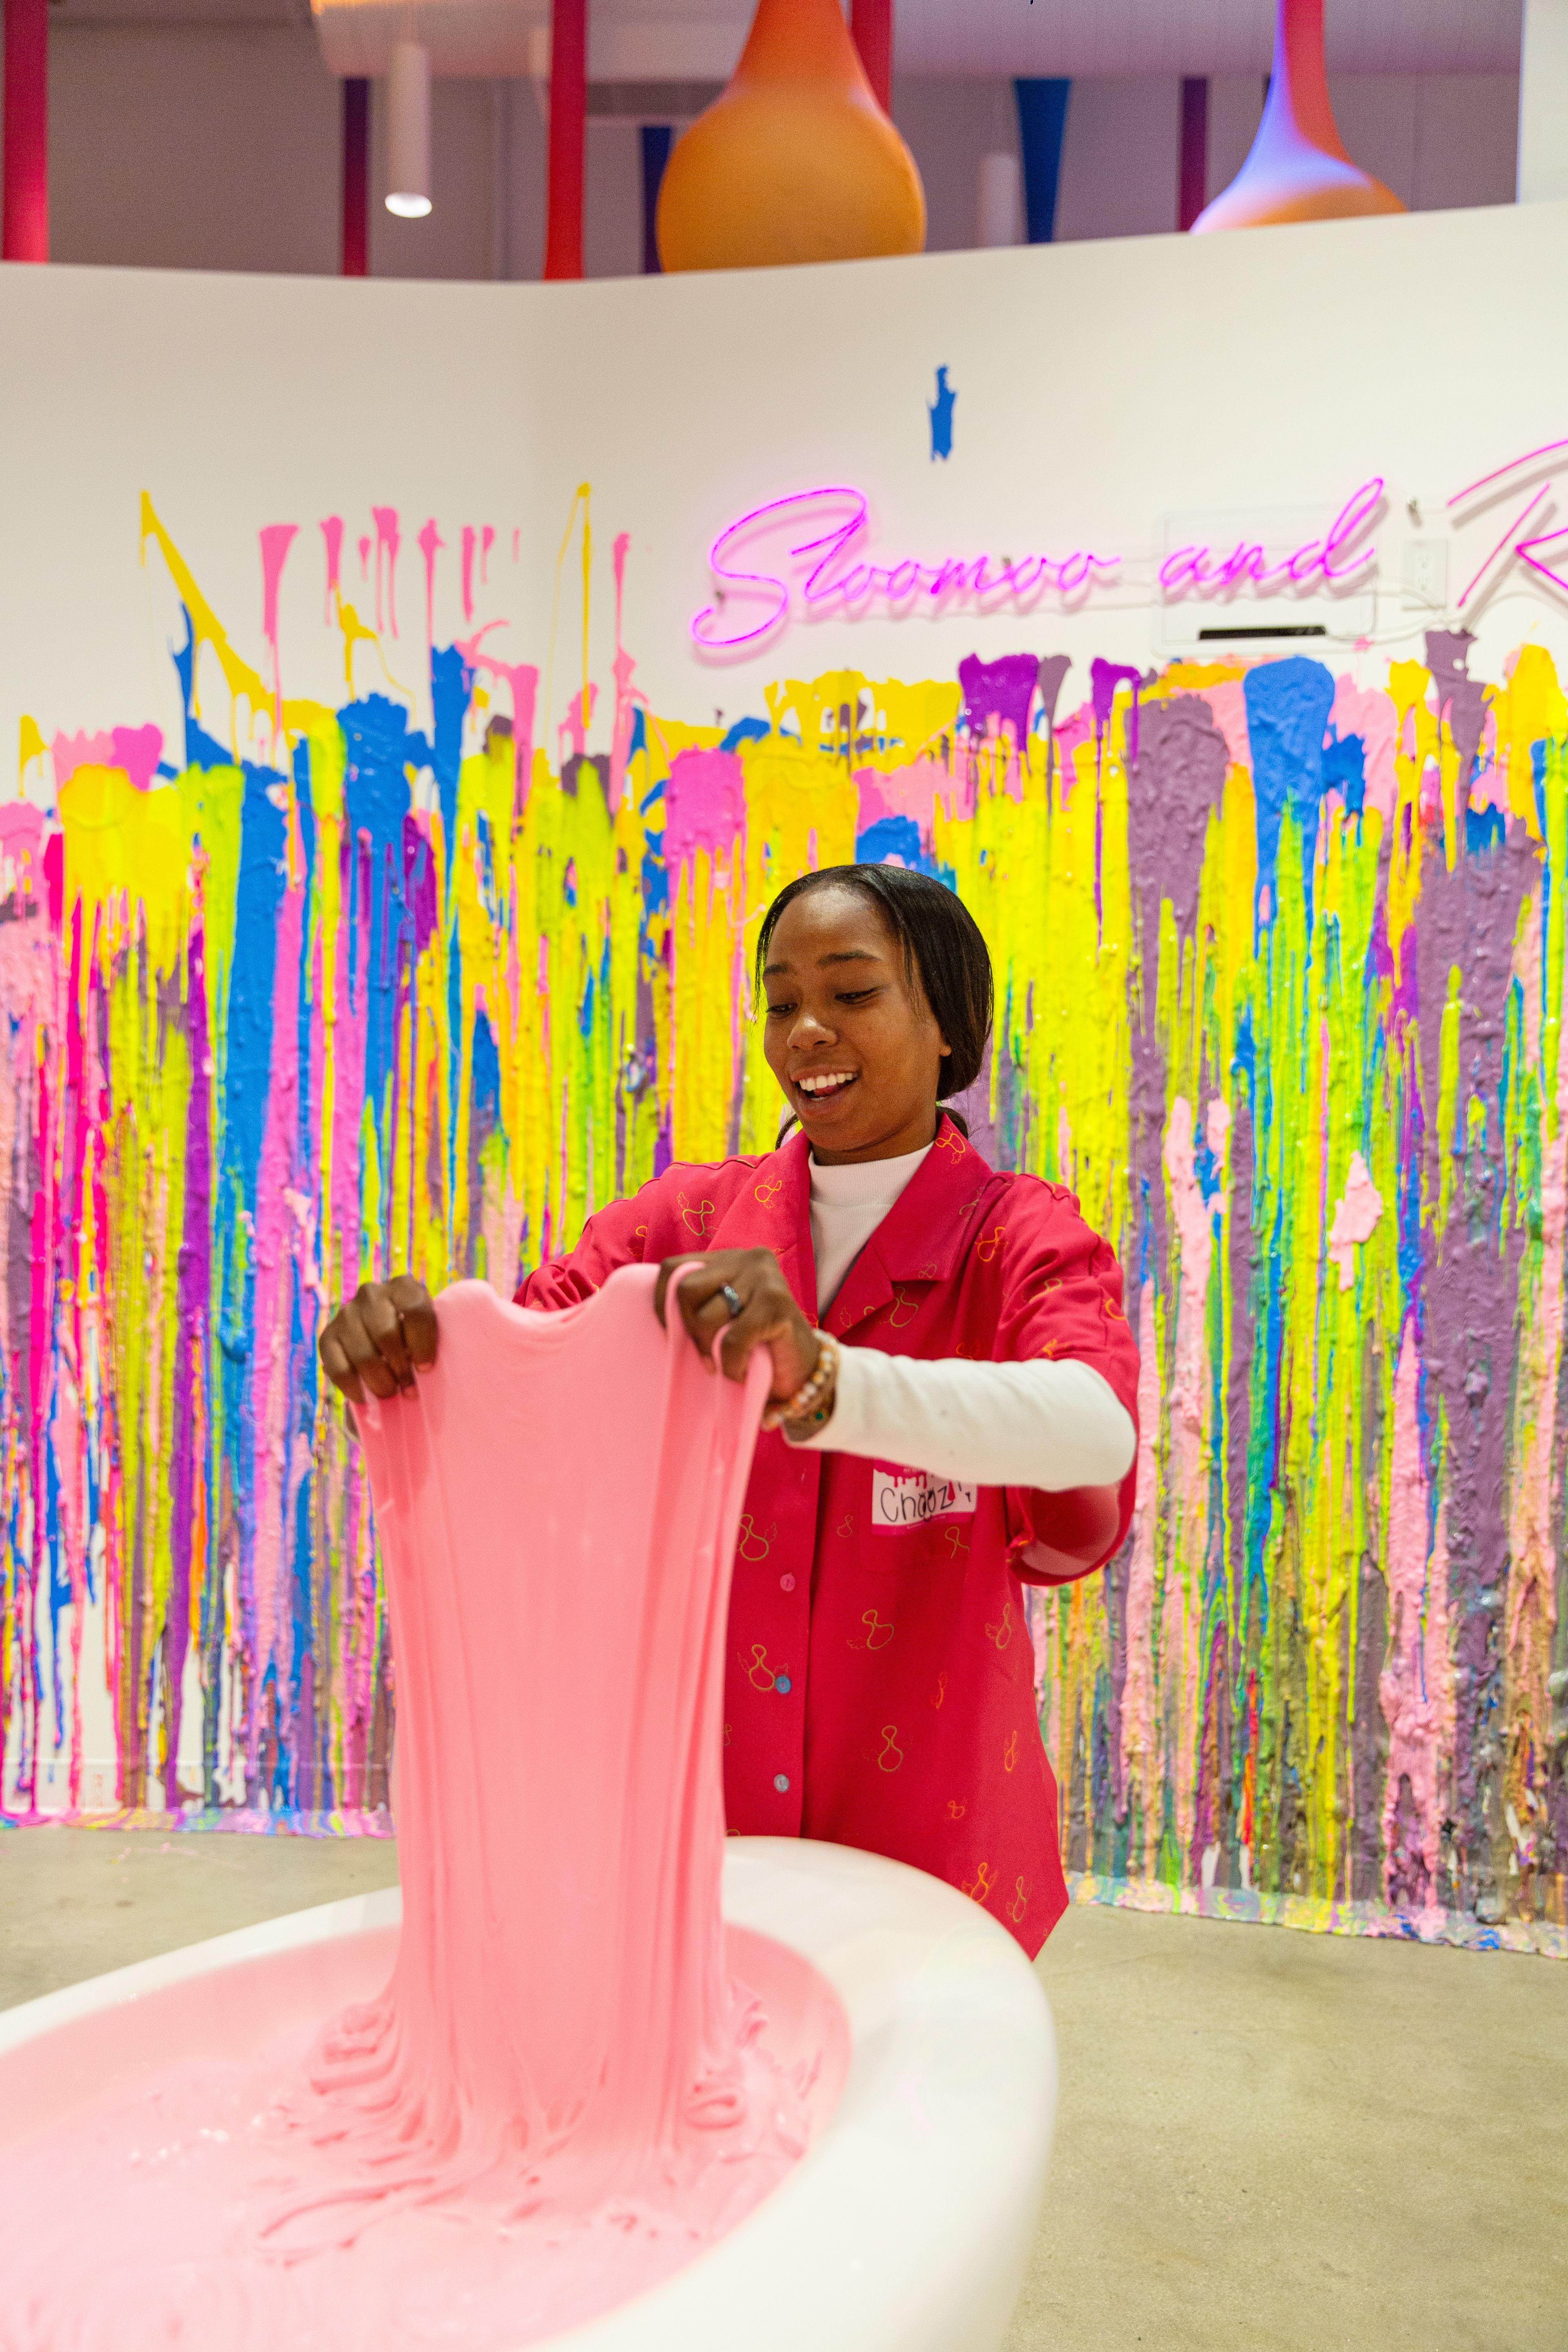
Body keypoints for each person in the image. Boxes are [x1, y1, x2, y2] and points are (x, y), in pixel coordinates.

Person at [320, 864, 1138, 1954]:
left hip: (935, 1828)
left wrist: (829, 1382)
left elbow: (1093, 1423)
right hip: (701, 1819)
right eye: (782, 1001)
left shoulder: (1018, 1236)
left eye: (852, 996)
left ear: (948, 1024)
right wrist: (403, 1353)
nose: (807, 1031)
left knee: (913, 2100)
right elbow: (513, 1370)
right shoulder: (687, 1219)